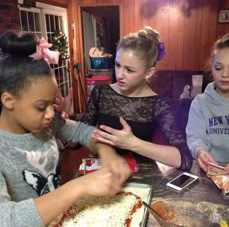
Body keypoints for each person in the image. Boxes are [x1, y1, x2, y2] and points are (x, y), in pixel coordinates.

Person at [0, 31, 131, 227]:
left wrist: (106, 152)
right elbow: (6, 218)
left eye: (52, 104)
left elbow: (83, 131)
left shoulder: (46, 124)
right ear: (8, 100)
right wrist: (78, 186)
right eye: (40, 106)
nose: (51, 114)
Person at [80, 26, 193, 171]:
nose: (120, 74)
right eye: (117, 65)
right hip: (104, 175)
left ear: (148, 72)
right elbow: (78, 137)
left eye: (129, 70)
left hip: (141, 178)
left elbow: (184, 159)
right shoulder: (101, 93)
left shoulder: (157, 104)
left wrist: (133, 144)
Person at [186, 32, 229, 174]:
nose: (225, 74)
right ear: (211, 68)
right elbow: (195, 137)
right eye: (219, 68)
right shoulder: (200, 103)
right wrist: (199, 151)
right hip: (210, 172)